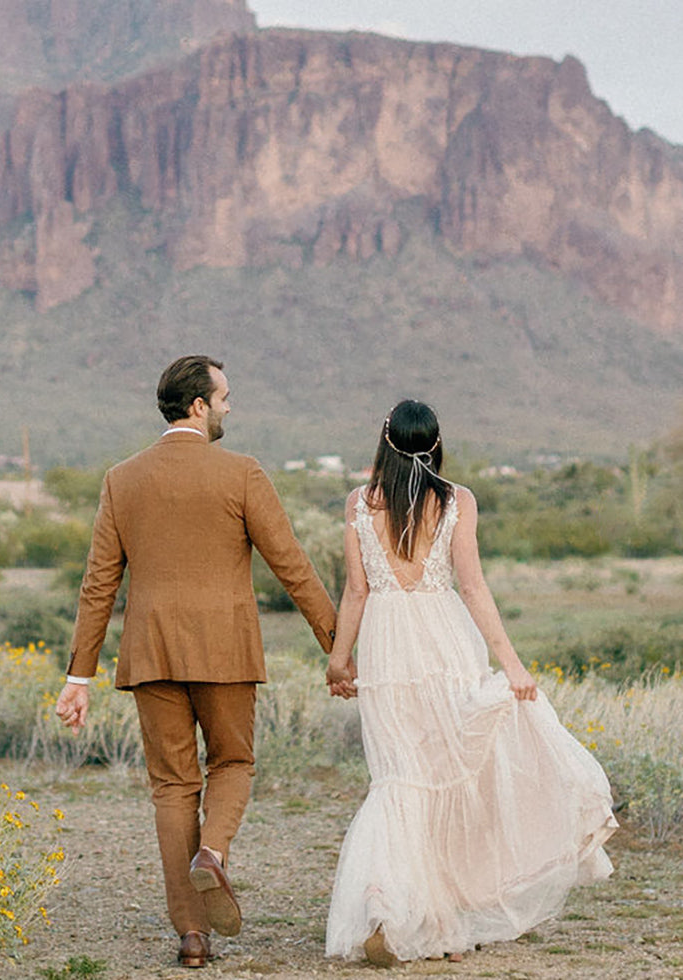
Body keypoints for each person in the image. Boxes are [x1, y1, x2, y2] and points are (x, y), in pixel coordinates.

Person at [55, 355, 342, 969]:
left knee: (172, 787)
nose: (230, 407)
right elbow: (290, 563)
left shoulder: (121, 479)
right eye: (225, 397)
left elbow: (97, 584)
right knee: (234, 760)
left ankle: (191, 935)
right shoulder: (242, 473)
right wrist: (337, 645)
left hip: (150, 654)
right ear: (198, 406)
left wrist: (78, 676)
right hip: (226, 649)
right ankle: (212, 853)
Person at [324, 399, 617, 966]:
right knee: (453, 777)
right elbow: (474, 587)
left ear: (384, 441)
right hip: (447, 642)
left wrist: (339, 661)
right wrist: (511, 664)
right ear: (435, 443)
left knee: (400, 778)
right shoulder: (457, 501)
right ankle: (446, 923)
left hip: (387, 651)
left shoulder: (359, 504)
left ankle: (391, 908)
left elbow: (356, 593)